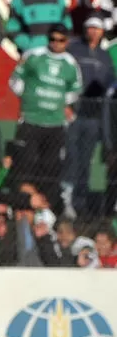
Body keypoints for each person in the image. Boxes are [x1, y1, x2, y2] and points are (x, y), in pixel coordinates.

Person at [8, 23, 81, 209]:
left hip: (55, 124)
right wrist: (28, 98)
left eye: (61, 40)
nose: (56, 43)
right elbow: (15, 80)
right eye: (52, 39)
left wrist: (61, 103)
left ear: (67, 41)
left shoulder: (70, 63)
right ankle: (23, 206)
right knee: (25, 164)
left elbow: (75, 89)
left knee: (51, 168)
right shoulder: (34, 55)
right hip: (31, 120)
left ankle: (47, 209)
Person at [62, 16, 114, 219]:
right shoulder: (74, 50)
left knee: (86, 160)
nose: (93, 32)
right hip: (74, 113)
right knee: (71, 158)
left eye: (97, 28)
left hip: (95, 117)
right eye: (89, 27)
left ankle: (80, 202)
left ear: (102, 32)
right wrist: (65, 105)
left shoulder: (105, 55)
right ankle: (66, 200)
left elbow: (109, 85)